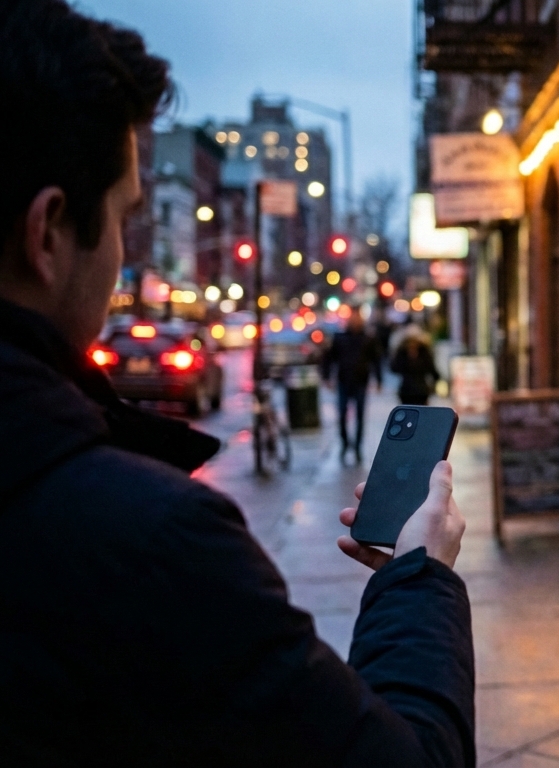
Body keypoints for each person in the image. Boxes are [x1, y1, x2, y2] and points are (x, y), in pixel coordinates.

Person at [0, 2, 474, 764]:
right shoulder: (150, 542)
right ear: (49, 232)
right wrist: (419, 580)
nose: (121, 251)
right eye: (123, 214)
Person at [322, 311, 383, 464]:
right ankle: (345, 443)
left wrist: (379, 380)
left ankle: (357, 446)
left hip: (361, 382)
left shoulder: (368, 339)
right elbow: (329, 358)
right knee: (342, 414)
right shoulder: (340, 338)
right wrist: (326, 377)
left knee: (360, 416)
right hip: (344, 381)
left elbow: (376, 360)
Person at [391, 330, 440, 406]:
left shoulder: (424, 352)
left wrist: (436, 380)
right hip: (406, 390)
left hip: (421, 390)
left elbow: (431, 368)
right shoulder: (402, 353)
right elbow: (394, 368)